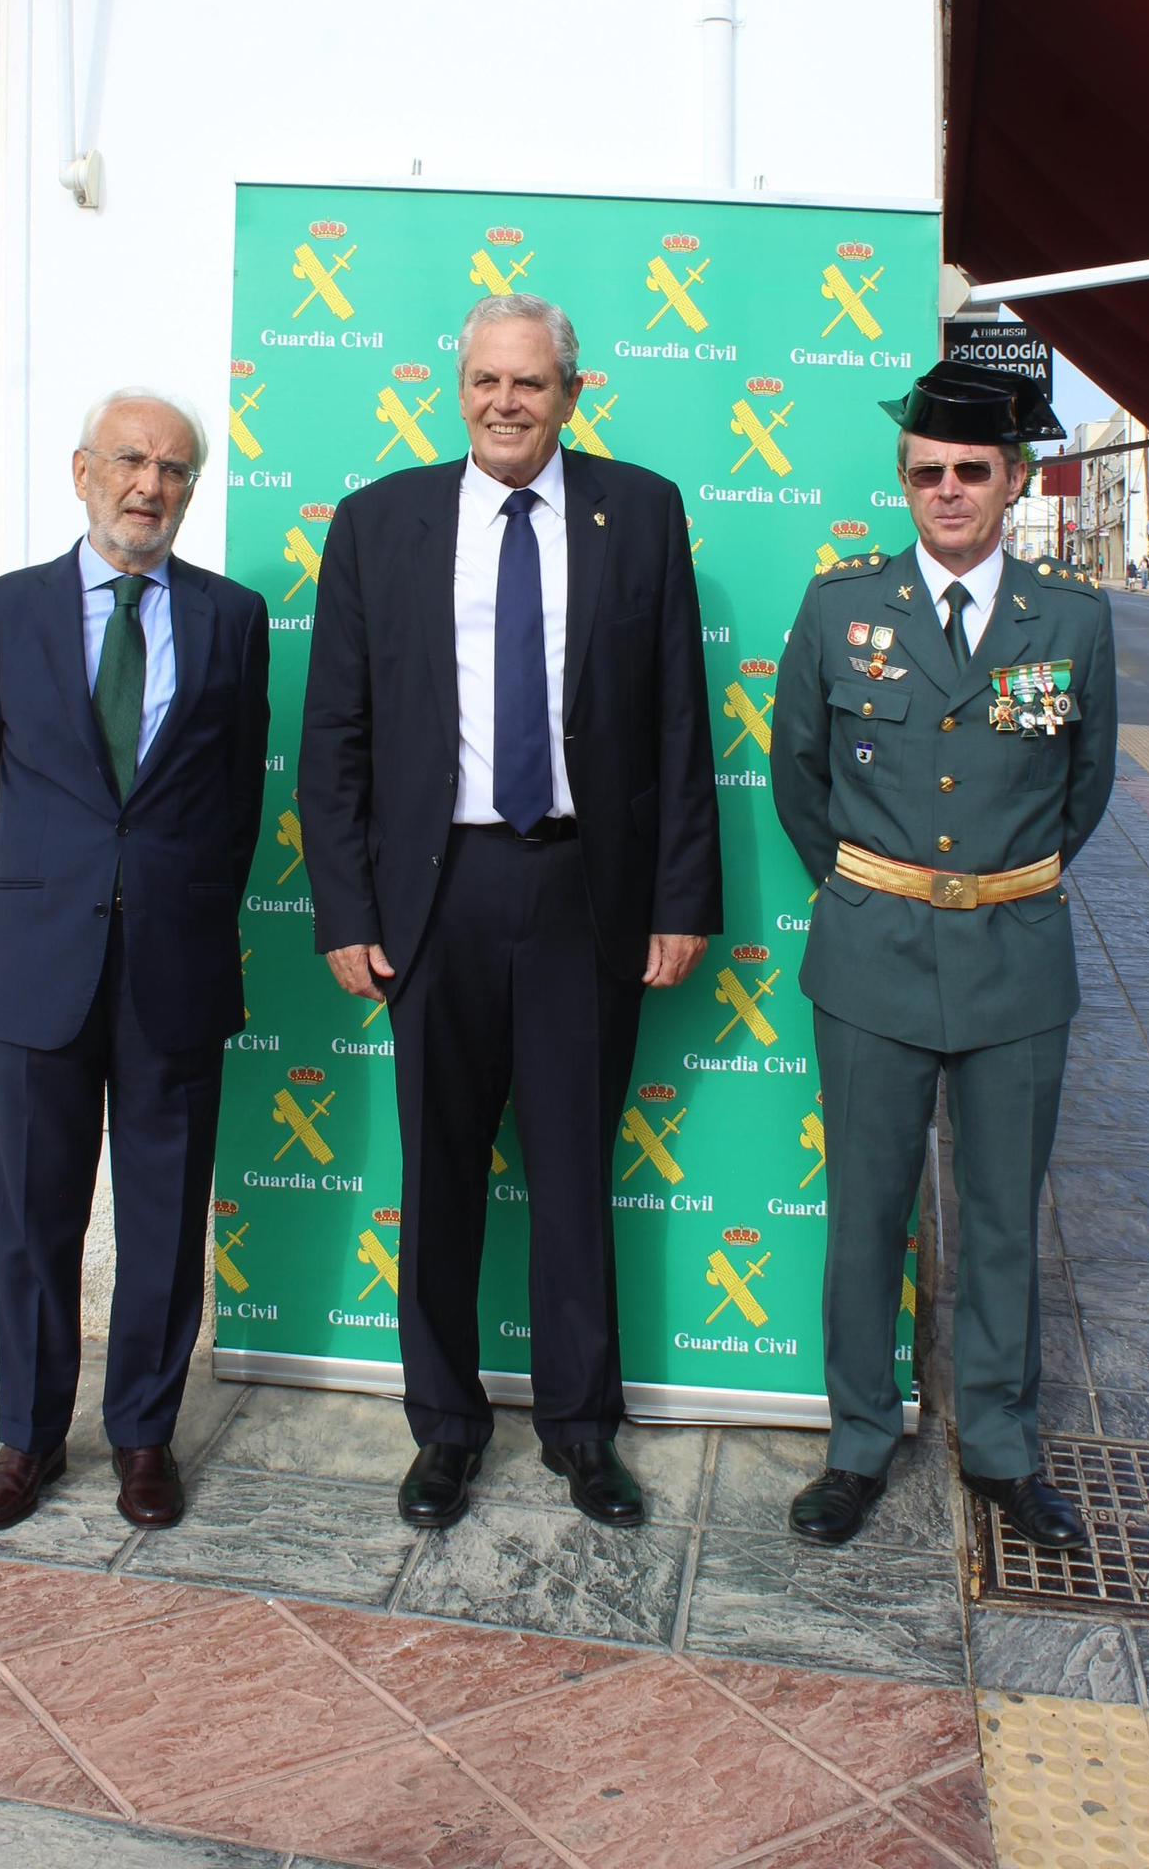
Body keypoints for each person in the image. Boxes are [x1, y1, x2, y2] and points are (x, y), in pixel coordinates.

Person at [299, 292, 721, 1535]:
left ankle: (581, 1430)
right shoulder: (381, 525)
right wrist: (342, 908)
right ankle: (444, 1429)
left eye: (529, 384)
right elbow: (335, 736)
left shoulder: (638, 511)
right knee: (438, 1174)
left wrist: (678, 896)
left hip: (586, 888)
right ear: (458, 386)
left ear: (570, 395)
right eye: (484, 380)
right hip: (437, 895)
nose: (503, 402)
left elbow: (680, 724)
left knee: (575, 1171)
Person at [770, 362, 1117, 1553]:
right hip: (871, 954)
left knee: (1004, 1222)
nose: (949, 491)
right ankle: (859, 1443)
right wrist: (878, 889)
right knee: (866, 1214)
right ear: (903, 484)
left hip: (1016, 960)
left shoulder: (1070, 618)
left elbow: (1087, 788)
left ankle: (1002, 1451)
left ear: (1012, 481)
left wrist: (998, 885)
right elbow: (797, 779)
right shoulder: (838, 610)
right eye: (927, 473)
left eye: (973, 471)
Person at [0, 391, 271, 1532]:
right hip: (39, 963)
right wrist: (54, 886)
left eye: (175, 469)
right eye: (130, 461)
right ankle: (28, 1439)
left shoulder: (234, 619)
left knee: (165, 1216)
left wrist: (164, 902)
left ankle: (142, 1436)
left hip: (173, 967)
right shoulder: (3, 612)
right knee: (34, 1220)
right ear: (82, 472)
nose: (151, 485)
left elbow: (237, 802)